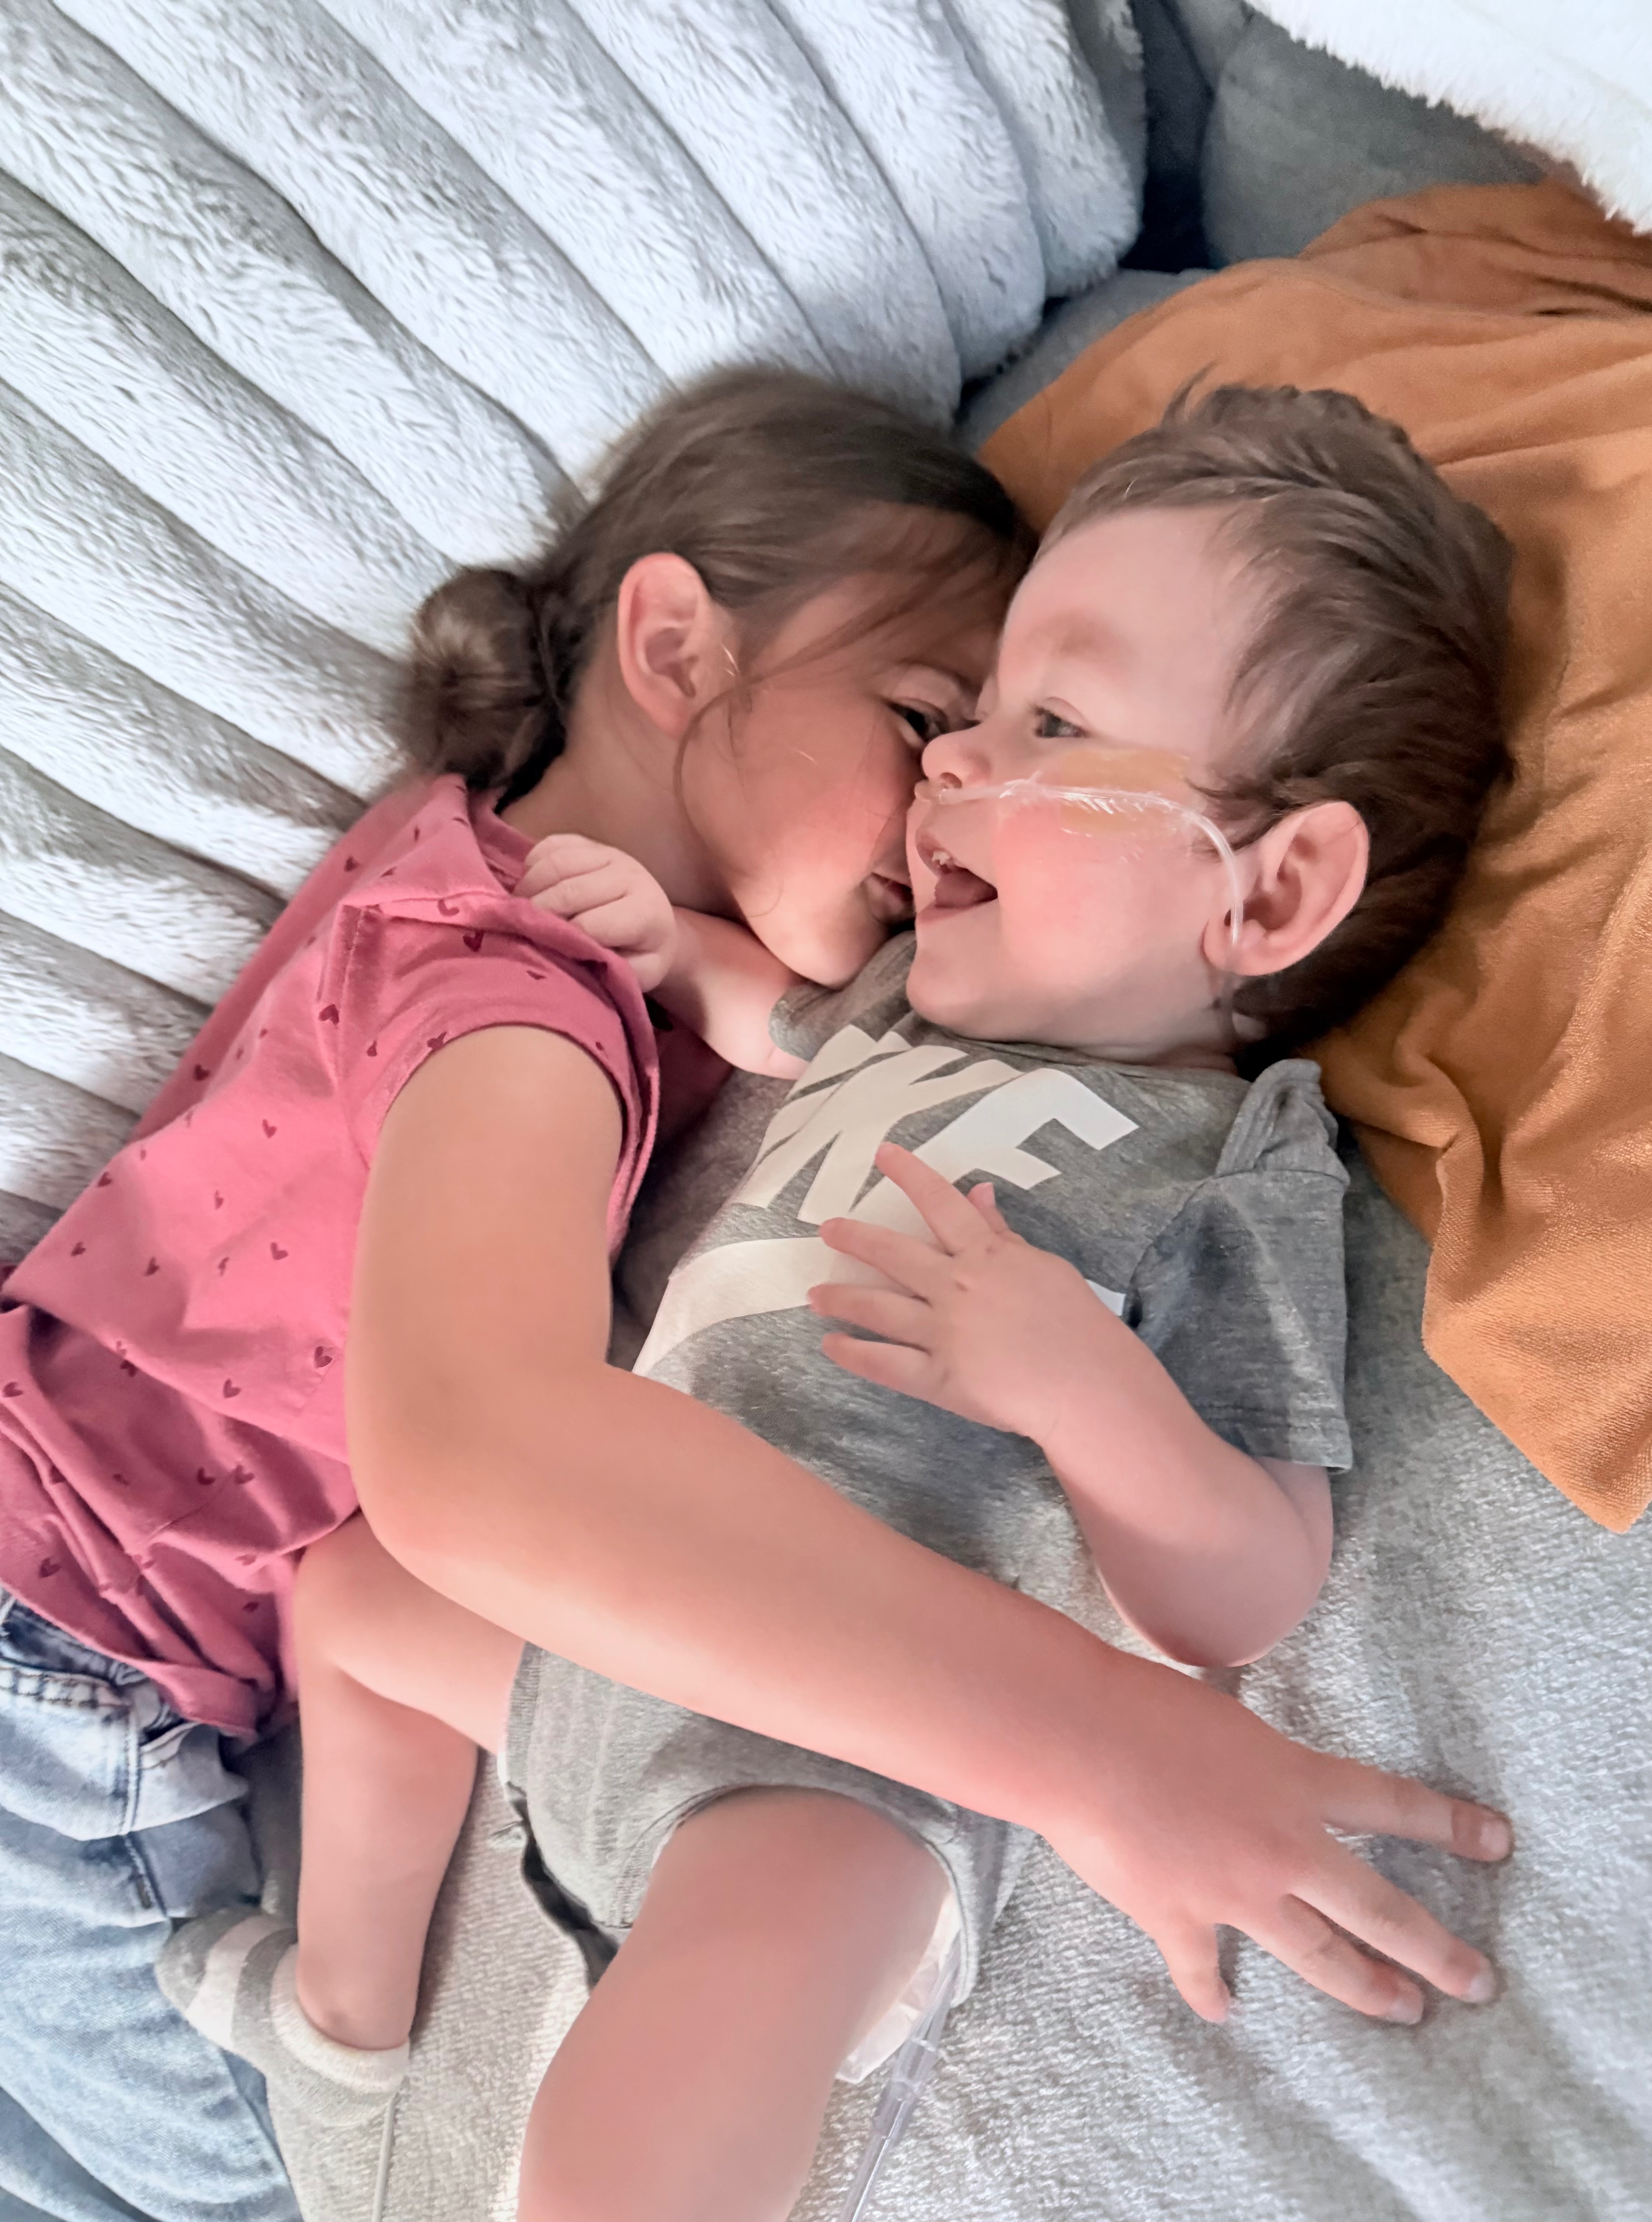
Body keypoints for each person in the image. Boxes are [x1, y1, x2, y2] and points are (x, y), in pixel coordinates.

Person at [158, 385, 1518, 2221]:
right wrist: (676, 950)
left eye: (1050, 723)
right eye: (961, 717)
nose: (953, 767)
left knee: (671, 2069)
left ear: (1272, 891)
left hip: (861, 1748)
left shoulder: (1234, 1161)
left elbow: (1252, 1577)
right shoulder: (899, 1008)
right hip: (638, 1612)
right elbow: (778, 1029)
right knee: (351, 1601)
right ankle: (342, 2031)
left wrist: (1086, 1387)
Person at [0, 367, 1026, 2220]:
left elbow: (831, 1041)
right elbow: (500, 1471)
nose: (953, 817)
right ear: (675, 644)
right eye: (923, 720)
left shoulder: (451, 852)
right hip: (73, 1656)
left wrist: (707, 965)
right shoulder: (521, 1013)